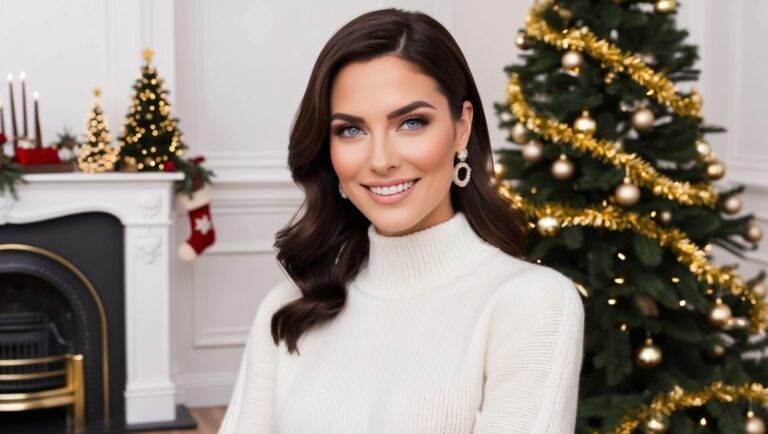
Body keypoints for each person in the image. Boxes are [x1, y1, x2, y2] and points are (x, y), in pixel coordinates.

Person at [219, 8, 585, 434]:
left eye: (411, 122)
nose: (381, 161)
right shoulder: (289, 307)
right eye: (351, 130)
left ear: (461, 128)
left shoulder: (530, 304)